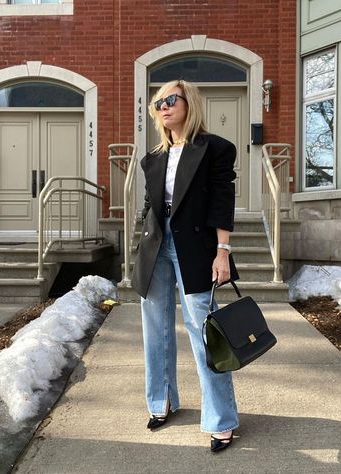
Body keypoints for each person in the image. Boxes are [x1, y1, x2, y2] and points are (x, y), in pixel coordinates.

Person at [131, 79, 239, 453]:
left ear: (188, 102)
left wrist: (222, 251)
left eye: (170, 99)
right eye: (158, 102)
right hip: (155, 249)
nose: (163, 106)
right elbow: (151, 204)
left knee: (204, 331)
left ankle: (220, 420)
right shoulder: (152, 158)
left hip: (196, 249)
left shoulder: (216, 149)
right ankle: (161, 403)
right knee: (155, 330)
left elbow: (222, 201)